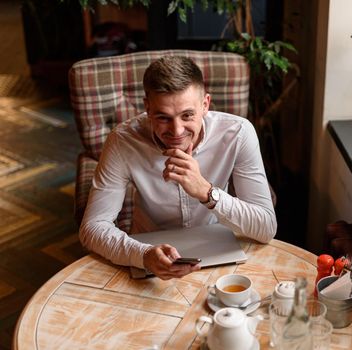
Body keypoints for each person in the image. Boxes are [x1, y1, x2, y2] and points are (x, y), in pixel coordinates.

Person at [79, 55, 277, 280]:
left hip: (220, 252)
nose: (176, 131)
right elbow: (92, 228)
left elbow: (266, 227)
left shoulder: (239, 133)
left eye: (187, 115)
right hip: (149, 256)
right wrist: (142, 255)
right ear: (148, 108)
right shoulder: (123, 141)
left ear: (205, 104)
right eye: (163, 117)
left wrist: (207, 192)